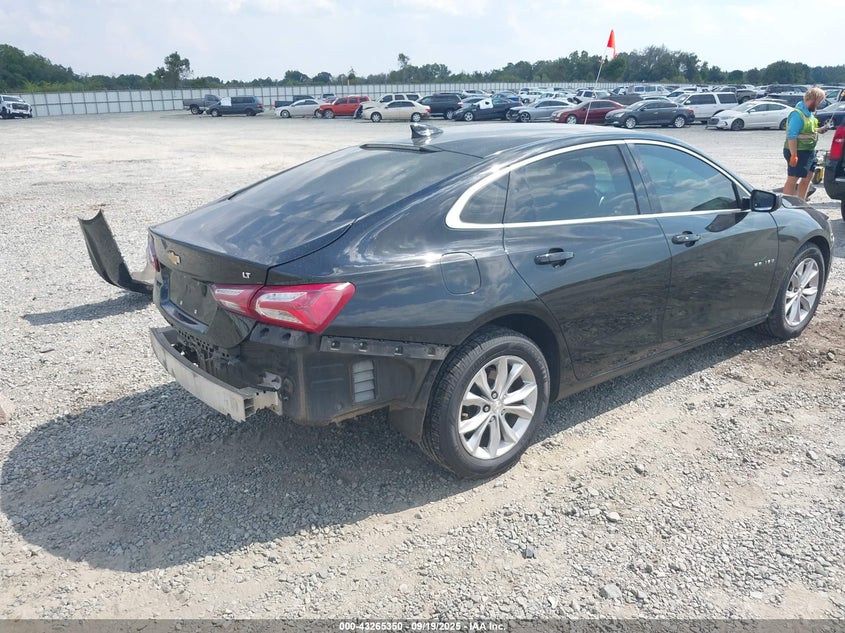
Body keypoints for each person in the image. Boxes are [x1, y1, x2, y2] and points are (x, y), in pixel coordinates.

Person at [783, 87, 830, 200]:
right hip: (797, 151)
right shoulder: (797, 114)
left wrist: (820, 130)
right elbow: (792, 135)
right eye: (818, 101)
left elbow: (808, 130)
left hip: (809, 152)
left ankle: (801, 202)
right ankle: (786, 203)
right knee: (793, 179)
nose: (818, 105)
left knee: (807, 178)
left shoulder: (809, 114)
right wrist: (794, 155)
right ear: (813, 99)